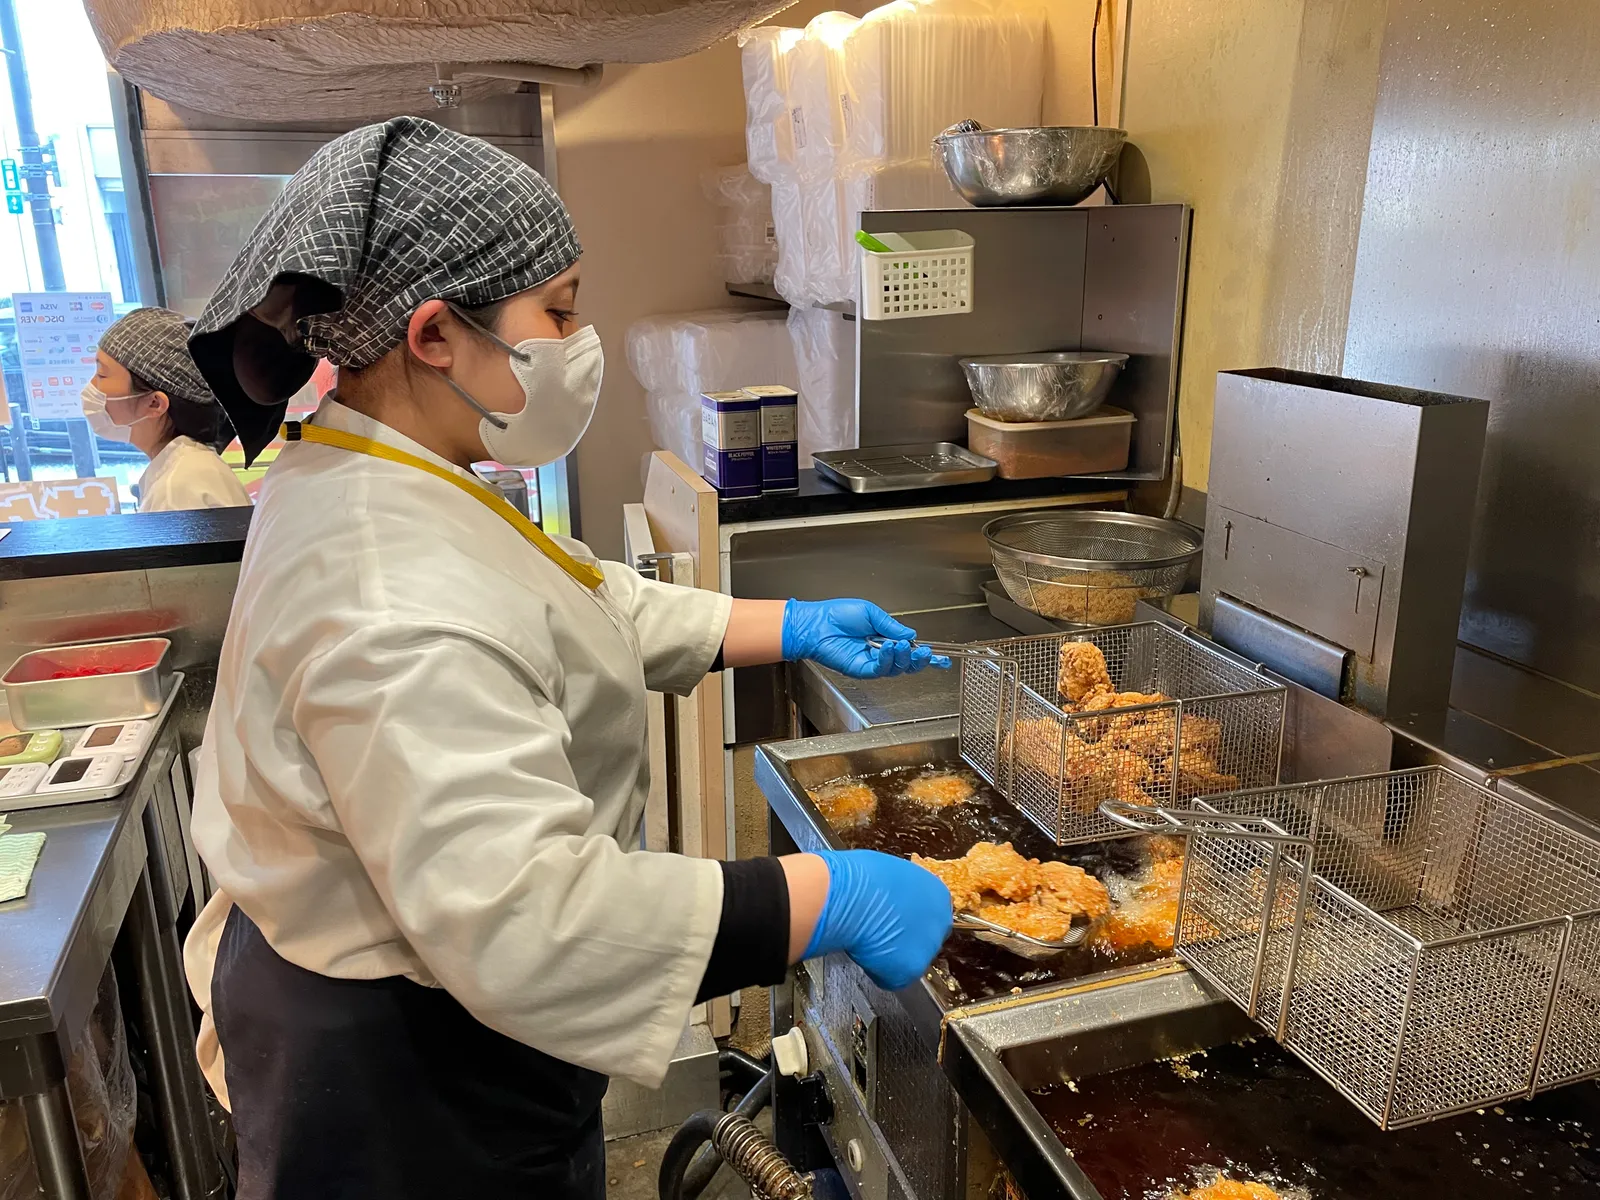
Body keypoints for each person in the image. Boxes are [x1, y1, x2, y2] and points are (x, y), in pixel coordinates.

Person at [181, 116, 954, 1200]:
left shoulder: (393, 473)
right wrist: (829, 896)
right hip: (404, 1081)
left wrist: (779, 624)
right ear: (434, 334)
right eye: (558, 312)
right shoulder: (383, 588)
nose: (576, 342)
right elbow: (530, 915)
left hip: (428, 1009)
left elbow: (565, 601)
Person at [82, 307, 253, 511]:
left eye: (102, 375)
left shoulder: (178, 489)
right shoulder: (185, 468)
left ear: (155, 403)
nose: (91, 385)